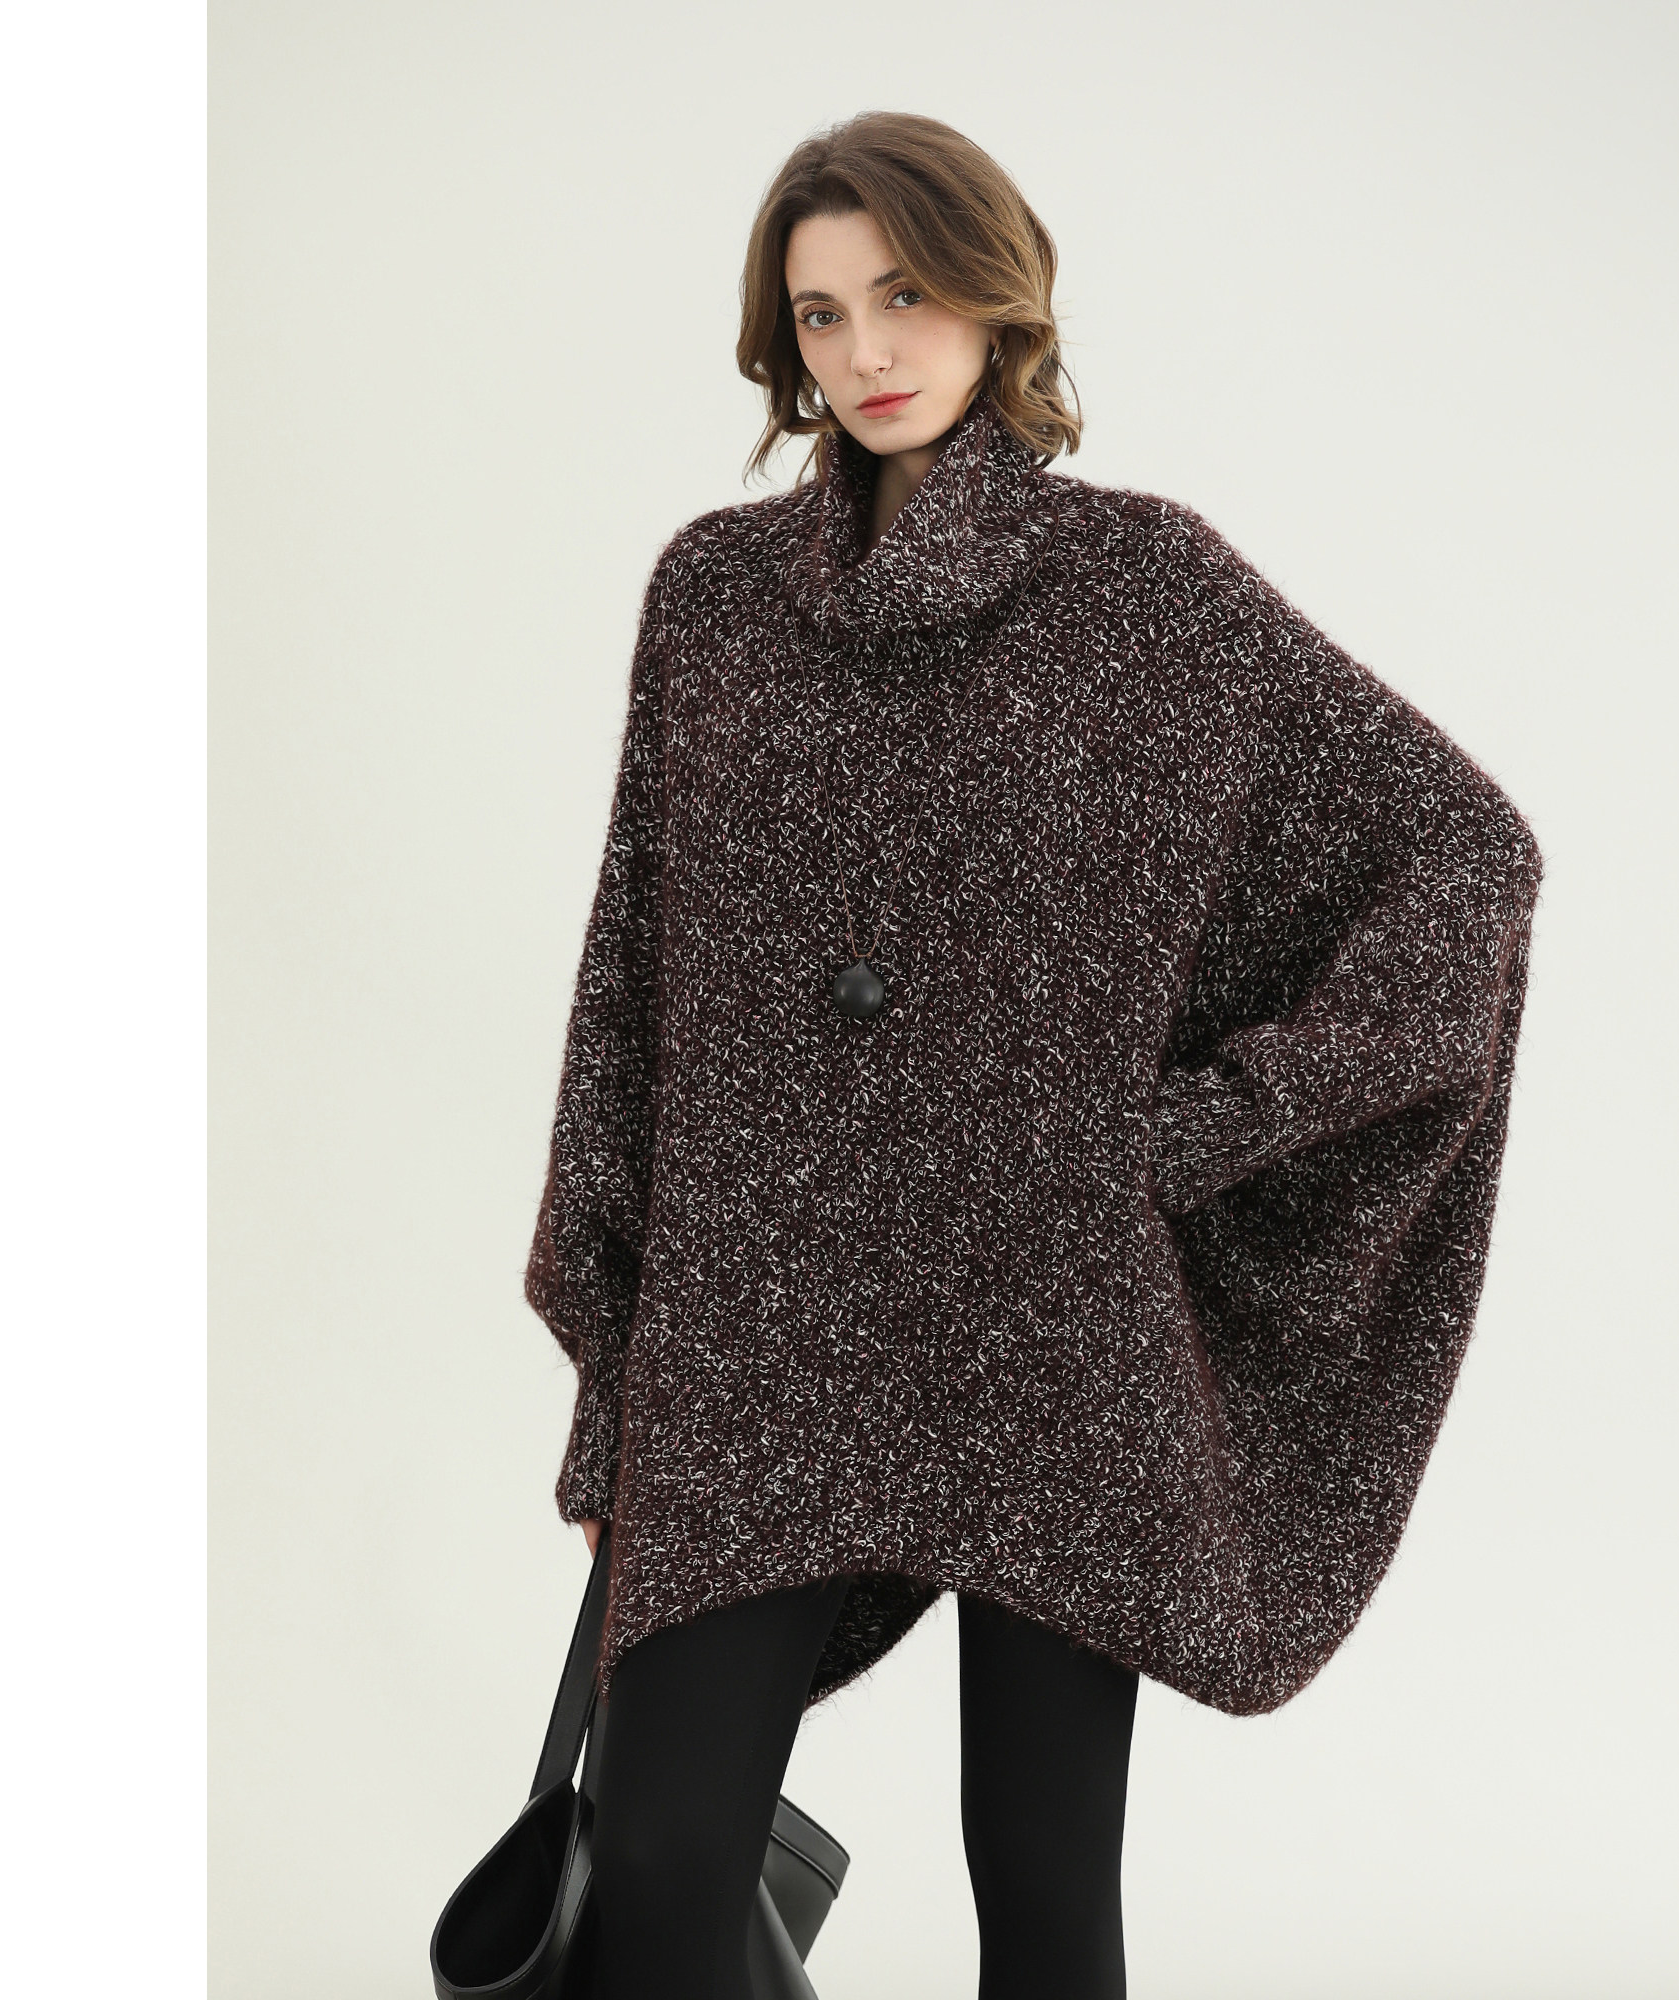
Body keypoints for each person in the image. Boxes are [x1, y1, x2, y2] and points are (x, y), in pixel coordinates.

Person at [524, 112, 1543, 2000]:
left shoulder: (1150, 593)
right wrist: (618, 1372)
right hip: (767, 1307)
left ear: (999, 299)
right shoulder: (714, 600)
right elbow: (634, 991)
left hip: (1048, 1313)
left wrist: (1207, 1129)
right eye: (820, 314)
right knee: (661, 1861)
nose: (866, 351)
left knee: (1044, 1884)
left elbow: (1463, 853)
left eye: (904, 296)